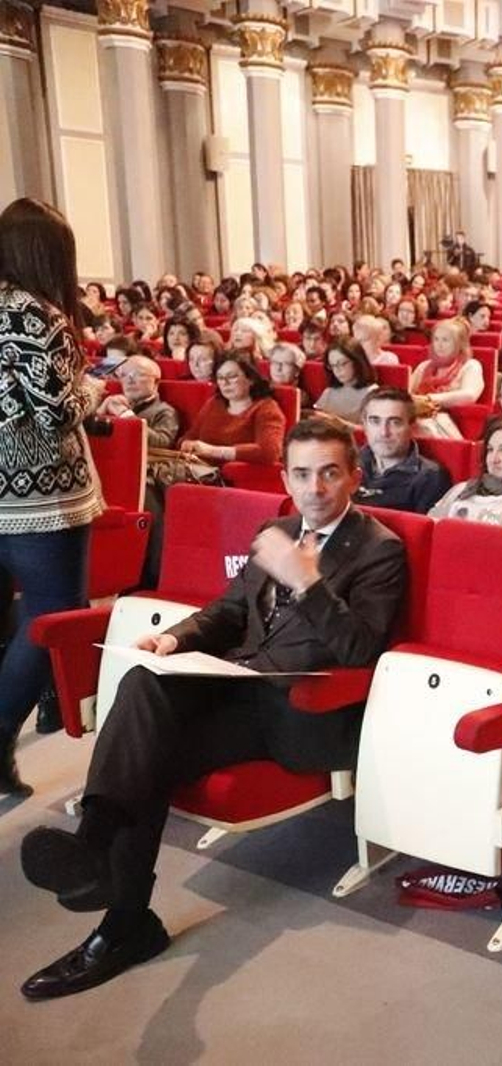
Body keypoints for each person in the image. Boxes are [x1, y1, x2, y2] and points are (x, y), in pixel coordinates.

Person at [17, 418, 406, 997]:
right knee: (147, 689)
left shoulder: (379, 550)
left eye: (329, 473)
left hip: (298, 711)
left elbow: (361, 648)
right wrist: (174, 639)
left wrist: (309, 585)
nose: (315, 488)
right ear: (286, 477)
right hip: (237, 686)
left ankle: (115, 902)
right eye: (302, 474)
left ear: (354, 475)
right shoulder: (275, 530)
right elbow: (227, 611)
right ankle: (114, 896)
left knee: (147, 752)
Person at [0, 198, 104, 795]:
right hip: (38, 498)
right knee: (52, 617)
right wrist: (92, 391)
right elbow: (57, 414)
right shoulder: (35, 313)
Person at [175, 354, 285, 471]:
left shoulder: (267, 408)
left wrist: (212, 451)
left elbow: (270, 452)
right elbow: (191, 435)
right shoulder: (214, 403)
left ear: (250, 379)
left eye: (231, 376)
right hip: (198, 470)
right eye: (220, 378)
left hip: (235, 477)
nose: (225, 383)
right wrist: (186, 444)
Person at [355, 388, 452, 514]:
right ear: (365, 425)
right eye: (375, 421)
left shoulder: (429, 476)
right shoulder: (347, 463)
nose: (384, 432)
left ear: (412, 427)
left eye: (395, 422)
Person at [409, 318, 484, 439]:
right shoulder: (424, 366)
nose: (439, 345)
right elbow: (407, 394)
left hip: (449, 422)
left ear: (459, 344)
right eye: (436, 339)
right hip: (418, 417)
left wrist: (428, 400)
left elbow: (469, 395)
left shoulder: (470, 365)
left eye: (445, 340)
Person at [93, 356, 180, 449]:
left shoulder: (165, 411)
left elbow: (162, 443)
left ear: (155, 383)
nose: (130, 380)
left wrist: (125, 415)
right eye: (124, 375)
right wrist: (100, 412)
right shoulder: (112, 403)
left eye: (139, 374)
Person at [313, 340, 378, 429]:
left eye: (342, 364)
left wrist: (341, 424)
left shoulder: (372, 393)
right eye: (333, 365)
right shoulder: (329, 392)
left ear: (357, 362)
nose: (337, 370)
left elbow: (373, 431)